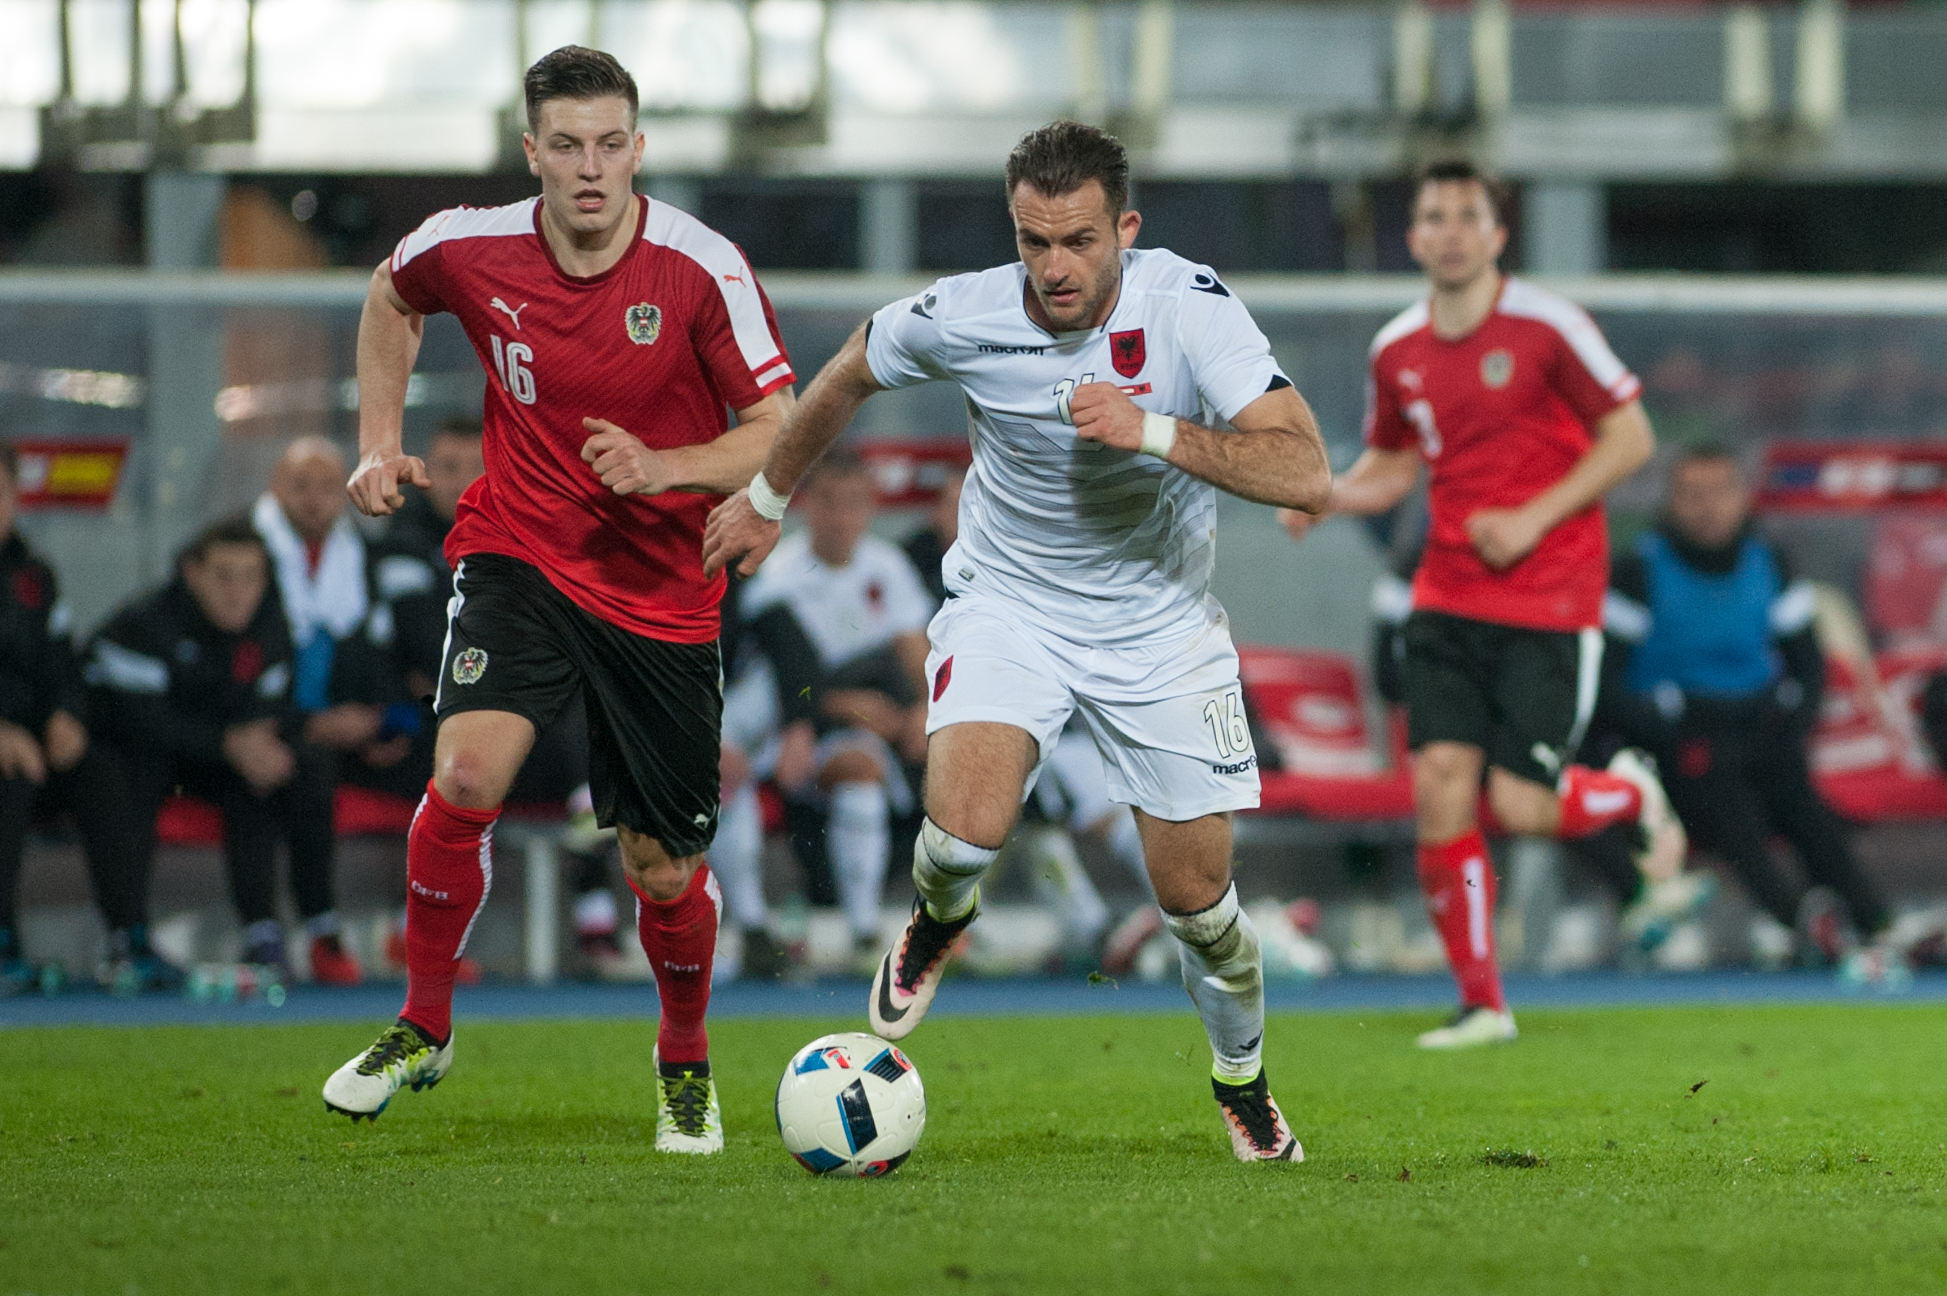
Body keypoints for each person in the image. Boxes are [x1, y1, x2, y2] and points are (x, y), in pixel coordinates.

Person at [707, 121, 1331, 1162]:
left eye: (1079, 241)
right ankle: (935, 922)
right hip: (1012, 606)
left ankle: (1242, 1081)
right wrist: (771, 494)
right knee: (960, 834)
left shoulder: (1188, 307)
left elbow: (1306, 469)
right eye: (1034, 241)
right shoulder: (970, 311)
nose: (1054, 267)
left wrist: (1153, 430)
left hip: (1160, 630)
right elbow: (847, 373)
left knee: (1201, 909)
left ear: (1124, 229)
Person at [322, 45, 795, 1155]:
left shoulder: (701, 267)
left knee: (660, 866)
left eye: (612, 143)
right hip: (519, 552)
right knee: (467, 771)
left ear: (639, 147)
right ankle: (422, 1022)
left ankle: (684, 1060)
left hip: (660, 590)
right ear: (531, 151)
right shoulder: (467, 245)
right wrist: (378, 443)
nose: (592, 168)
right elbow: (391, 294)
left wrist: (669, 469)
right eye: (568, 146)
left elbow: (781, 426)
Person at [1279, 159, 1686, 1049]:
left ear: (1497, 235)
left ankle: (1625, 793)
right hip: (1446, 595)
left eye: (1468, 215)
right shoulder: (1396, 349)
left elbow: (1631, 436)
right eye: (1433, 215)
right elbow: (1391, 468)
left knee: (1523, 806)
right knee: (1438, 792)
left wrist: (1534, 517)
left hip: (1549, 598)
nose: (1451, 230)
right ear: (1415, 235)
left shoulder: (1549, 327)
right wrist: (1327, 496)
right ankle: (1481, 1003)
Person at [1601, 445, 1907, 983]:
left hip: (1756, 727)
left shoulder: (1771, 562)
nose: (1708, 508)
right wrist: (1666, 730)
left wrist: (1791, 729)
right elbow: (1607, 683)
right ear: (1672, 503)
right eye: (1693, 496)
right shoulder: (1636, 572)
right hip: (1678, 741)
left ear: (1742, 498)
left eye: (1720, 493)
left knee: (1802, 800)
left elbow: (1807, 664)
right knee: (1726, 802)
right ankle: (1799, 924)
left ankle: (1876, 924)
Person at [361, 418, 625, 981]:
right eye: (444, 469)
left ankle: (591, 848)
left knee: (578, 699)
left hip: (520, 716)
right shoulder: (403, 541)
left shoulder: (523, 530)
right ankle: (434, 944)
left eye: (468, 469)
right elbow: (423, 641)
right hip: (423, 725)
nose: (453, 483)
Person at [83, 516, 339, 976]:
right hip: (143, 754)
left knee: (292, 769)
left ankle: (289, 932)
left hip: (220, 759)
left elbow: (275, 703)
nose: (237, 591)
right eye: (223, 576)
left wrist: (257, 746)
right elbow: (139, 722)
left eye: (251, 577)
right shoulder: (146, 624)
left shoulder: (269, 625)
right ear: (193, 573)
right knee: (128, 774)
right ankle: (127, 938)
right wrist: (227, 742)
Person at [738, 449, 934, 963]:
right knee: (858, 766)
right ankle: (858, 930)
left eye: (853, 504)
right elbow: (779, 676)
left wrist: (925, 710)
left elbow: (919, 656)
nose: (842, 518)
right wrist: (843, 705)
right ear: (804, 505)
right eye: (829, 503)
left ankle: (929, 920)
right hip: (793, 728)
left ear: (869, 508)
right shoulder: (778, 575)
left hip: (877, 723)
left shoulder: (886, 567)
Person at [0, 442, 152, 993]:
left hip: (37, 748)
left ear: (14, 496)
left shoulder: (34, 576)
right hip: (8, 756)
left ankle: (128, 940)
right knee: (7, 776)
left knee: (102, 771)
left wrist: (67, 715)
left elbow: (63, 662)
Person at [254, 435, 395, 984]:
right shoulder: (245, 556)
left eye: (327, 487)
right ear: (275, 488)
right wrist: (307, 724)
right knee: (292, 771)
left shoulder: (366, 556)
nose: (314, 499)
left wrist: (381, 719)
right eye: (300, 486)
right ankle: (301, 930)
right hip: (278, 727)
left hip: (351, 727)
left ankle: (421, 934)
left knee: (439, 762)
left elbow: (385, 654)